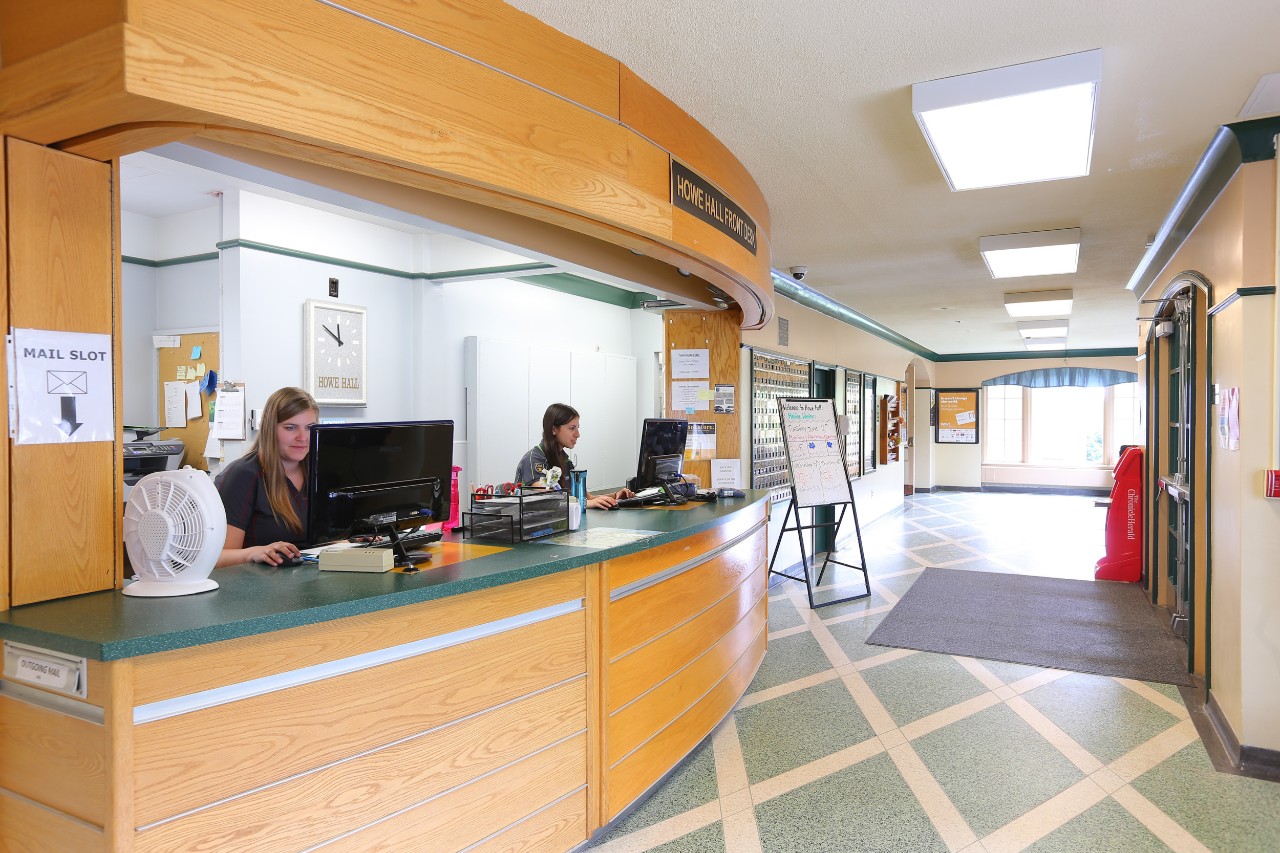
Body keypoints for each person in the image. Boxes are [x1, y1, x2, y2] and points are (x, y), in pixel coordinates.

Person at [215, 387, 319, 567]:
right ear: (270, 429)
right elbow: (217, 558)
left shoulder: (318, 471)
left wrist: (347, 538)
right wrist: (254, 552)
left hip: (311, 581)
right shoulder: (243, 476)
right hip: (258, 587)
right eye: (290, 428)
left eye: (310, 428)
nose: (303, 437)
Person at [515, 403, 633, 509]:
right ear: (554, 429)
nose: (577, 434)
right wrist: (584, 503)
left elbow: (587, 497)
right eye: (572, 428)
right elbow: (547, 496)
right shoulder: (533, 459)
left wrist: (616, 496)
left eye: (577, 428)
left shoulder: (565, 461)